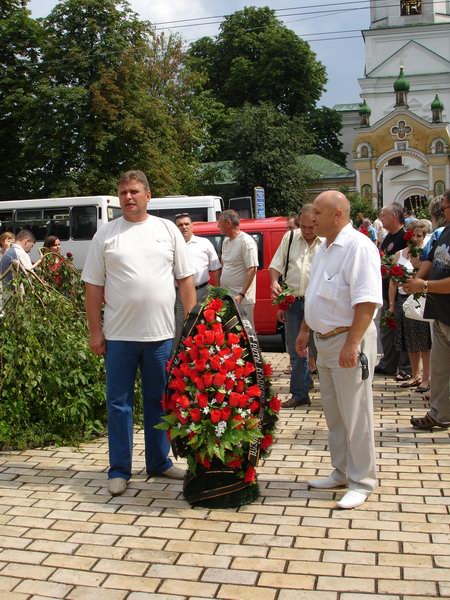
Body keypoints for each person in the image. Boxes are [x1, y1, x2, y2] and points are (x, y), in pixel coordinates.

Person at [81, 170, 196, 497]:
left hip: (160, 335)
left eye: (134, 191)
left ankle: (158, 462)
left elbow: (185, 280)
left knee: (159, 401)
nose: (128, 197)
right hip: (119, 337)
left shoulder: (167, 230)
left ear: (148, 195)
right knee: (119, 404)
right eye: (123, 193)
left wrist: (192, 327)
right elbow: (93, 287)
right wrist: (95, 332)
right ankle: (119, 469)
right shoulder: (106, 234)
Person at [296, 190, 382, 509]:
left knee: (356, 414)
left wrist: (352, 343)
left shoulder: (358, 247)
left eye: (318, 212)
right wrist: (306, 330)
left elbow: (367, 300)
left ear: (338, 215)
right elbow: (315, 293)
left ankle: (362, 481)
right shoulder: (325, 247)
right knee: (335, 413)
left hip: (347, 340)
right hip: (324, 341)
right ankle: (342, 471)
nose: (312, 217)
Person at [404, 190, 450, 430]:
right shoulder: (446, 232)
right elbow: (431, 260)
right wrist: (416, 280)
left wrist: (424, 285)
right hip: (439, 311)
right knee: (440, 370)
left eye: (444, 208)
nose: (441, 213)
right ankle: (439, 414)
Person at [269, 204, 322, 408]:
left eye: (312, 226)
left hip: (319, 303)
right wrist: (274, 282)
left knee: (320, 349)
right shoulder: (290, 237)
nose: (307, 231)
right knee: (296, 349)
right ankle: (300, 393)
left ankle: (325, 391)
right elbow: (276, 265)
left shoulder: (326, 241)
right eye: (304, 226)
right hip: (293, 302)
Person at [388, 223, 431, 392]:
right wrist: (391, 304)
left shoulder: (426, 254)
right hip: (403, 299)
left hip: (421, 298)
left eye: (419, 236)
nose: (415, 239)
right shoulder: (399, 254)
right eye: (413, 235)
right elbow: (393, 281)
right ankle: (415, 375)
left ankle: (426, 378)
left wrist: (418, 265)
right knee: (409, 340)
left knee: (424, 340)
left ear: (424, 237)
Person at [174, 212, 221, 343]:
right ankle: (179, 354)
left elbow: (216, 267)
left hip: (202, 292)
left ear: (192, 226)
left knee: (203, 324)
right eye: (180, 225)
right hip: (180, 294)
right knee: (180, 326)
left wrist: (216, 292)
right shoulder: (171, 245)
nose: (184, 227)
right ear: (175, 228)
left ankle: (201, 354)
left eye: (186, 224)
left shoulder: (204, 243)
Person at [375, 203, 410, 378]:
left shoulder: (405, 237)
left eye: (384, 215)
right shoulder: (388, 237)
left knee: (402, 332)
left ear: (394, 216)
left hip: (400, 294)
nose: (381, 218)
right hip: (385, 291)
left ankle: (406, 368)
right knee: (387, 331)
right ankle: (388, 364)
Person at [218, 209, 258, 328]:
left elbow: (252, 269)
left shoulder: (246, 241)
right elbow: (225, 263)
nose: (218, 226)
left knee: (246, 331)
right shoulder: (226, 241)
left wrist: (241, 294)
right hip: (228, 297)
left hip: (242, 299)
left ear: (228, 223)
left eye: (219, 223)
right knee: (231, 331)